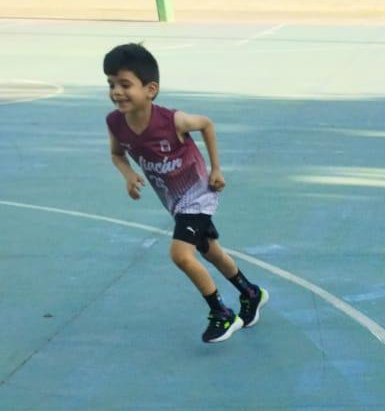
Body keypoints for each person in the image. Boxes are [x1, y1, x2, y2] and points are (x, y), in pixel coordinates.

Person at [103, 42, 267, 345]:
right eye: (111, 84)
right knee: (211, 251)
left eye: (125, 84)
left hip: (198, 194)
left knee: (181, 254)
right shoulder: (115, 122)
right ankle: (251, 293)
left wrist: (216, 169)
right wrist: (128, 175)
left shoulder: (172, 121)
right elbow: (117, 155)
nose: (116, 91)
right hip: (175, 201)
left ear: (151, 89)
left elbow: (205, 124)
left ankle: (221, 313)